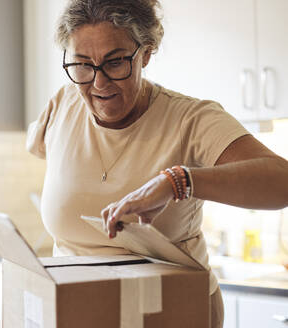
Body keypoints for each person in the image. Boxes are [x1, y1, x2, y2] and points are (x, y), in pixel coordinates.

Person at [26, 0, 288, 327]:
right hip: (77, 313)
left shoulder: (190, 119)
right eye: (82, 64)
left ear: (146, 52)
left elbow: (282, 182)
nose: (99, 83)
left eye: (115, 62)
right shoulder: (63, 105)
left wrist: (178, 180)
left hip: (172, 311)